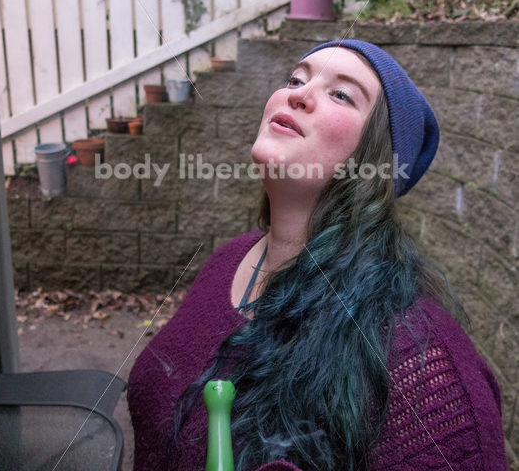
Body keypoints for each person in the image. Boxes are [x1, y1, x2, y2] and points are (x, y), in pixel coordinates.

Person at [127, 40, 508, 471]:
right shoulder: (226, 262)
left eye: (341, 94)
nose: (298, 94)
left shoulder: (424, 369)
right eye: (296, 78)